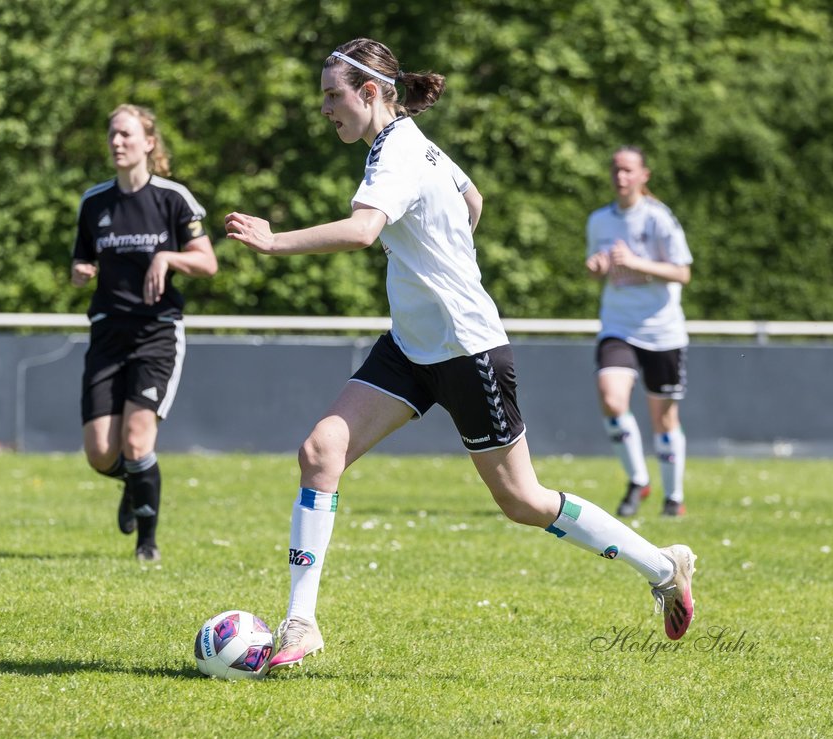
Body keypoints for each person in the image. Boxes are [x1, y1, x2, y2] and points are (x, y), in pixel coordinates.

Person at [225, 39, 698, 672]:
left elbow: (365, 231)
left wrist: (275, 241)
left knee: (523, 502)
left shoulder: (396, 152)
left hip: (466, 348)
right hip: (411, 346)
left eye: (332, 96)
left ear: (369, 93)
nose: (325, 109)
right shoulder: (414, 144)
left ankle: (663, 567)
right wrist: (439, 252)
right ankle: (301, 624)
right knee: (320, 451)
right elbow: (473, 202)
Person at [71, 104, 218, 561]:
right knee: (100, 453)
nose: (117, 142)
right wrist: (81, 270)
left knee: (137, 441)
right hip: (107, 334)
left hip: (156, 334)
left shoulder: (173, 199)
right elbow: (83, 258)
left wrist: (167, 258)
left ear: (148, 143)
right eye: (112, 134)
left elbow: (207, 263)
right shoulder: (94, 202)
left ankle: (147, 546)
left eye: (127, 135)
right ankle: (136, 482)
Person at [585, 146, 694, 519]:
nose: (621, 177)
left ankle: (673, 497)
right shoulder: (599, 220)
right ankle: (638, 480)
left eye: (629, 170)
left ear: (644, 175)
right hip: (619, 326)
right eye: (616, 169)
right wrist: (598, 266)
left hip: (663, 331)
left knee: (663, 418)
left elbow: (682, 272)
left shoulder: (659, 219)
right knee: (612, 399)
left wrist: (634, 262)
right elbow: (600, 265)